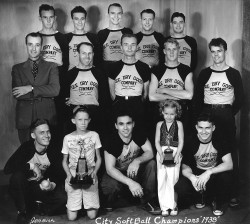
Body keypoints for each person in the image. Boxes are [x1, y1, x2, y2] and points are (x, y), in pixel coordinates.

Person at [194, 37, 244, 207]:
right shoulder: (205, 73)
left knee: (229, 152)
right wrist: (203, 114)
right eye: (213, 52)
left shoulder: (233, 73)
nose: (216, 55)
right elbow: (197, 98)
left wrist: (229, 113)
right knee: (206, 151)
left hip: (225, 114)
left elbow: (241, 99)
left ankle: (232, 193)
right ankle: (205, 191)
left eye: (219, 51)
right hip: (207, 112)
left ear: (225, 51)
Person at [4, 119, 66, 224]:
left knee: (63, 199)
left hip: (41, 188)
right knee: (17, 177)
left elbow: (59, 172)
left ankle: (38, 205)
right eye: (42, 132)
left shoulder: (54, 149)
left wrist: (52, 185)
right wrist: (32, 166)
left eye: (48, 131)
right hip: (25, 187)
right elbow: (8, 168)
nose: (47, 135)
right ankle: (22, 212)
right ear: (33, 135)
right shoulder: (26, 147)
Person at [175, 113, 233, 216]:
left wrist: (209, 172)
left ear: (213, 128)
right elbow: (185, 166)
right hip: (197, 175)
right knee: (180, 187)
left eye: (207, 128)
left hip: (213, 174)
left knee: (226, 177)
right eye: (200, 128)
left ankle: (217, 201)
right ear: (196, 127)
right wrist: (193, 178)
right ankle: (200, 196)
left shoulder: (220, 138)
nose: (204, 131)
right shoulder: (190, 140)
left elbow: (229, 164)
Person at [12, 32, 60, 143]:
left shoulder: (51, 66)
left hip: (47, 116)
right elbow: (18, 94)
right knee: (26, 154)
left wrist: (31, 88)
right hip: (25, 119)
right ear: (26, 46)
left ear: (41, 47)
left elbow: (55, 90)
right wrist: (44, 92)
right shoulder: (17, 68)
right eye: (30, 44)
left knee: (48, 154)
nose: (34, 49)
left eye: (37, 45)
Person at [62, 106, 102, 220]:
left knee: (92, 216)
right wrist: (68, 174)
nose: (83, 123)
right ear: (73, 120)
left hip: (89, 173)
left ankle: (86, 204)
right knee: (72, 218)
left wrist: (95, 172)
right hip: (74, 174)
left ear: (89, 120)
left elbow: (99, 158)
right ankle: (77, 204)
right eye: (80, 120)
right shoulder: (67, 138)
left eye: (86, 119)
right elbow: (64, 161)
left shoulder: (94, 135)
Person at [62, 42, 110, 137]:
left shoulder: (99, 74)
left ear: (93, 54)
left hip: (94, 117)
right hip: (76, 117)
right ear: (78, 53)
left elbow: (105, 99)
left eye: (90, 53)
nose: (87, 56)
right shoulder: (69, 75)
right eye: (84, 53)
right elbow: (63, 98)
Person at [149, 38, 194, 137]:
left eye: (174, 49)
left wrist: (164, 90)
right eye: (169, 49)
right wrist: (177, 96)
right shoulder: (156, 70)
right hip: (161, 113)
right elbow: (152, 96)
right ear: (164, 51)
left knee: (180, 143)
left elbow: (189, 95)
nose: (172, 52)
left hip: (180, 112)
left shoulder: (186, 70)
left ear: (178, 50)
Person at [108, 33, 151, 129]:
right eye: (126, 44)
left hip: (137, 104)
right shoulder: (113, 67)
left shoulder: (144, 67)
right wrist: (117, 101)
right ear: (121, 47)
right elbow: (111, 90)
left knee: (138, 132)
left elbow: (145, 93)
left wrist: (138, 103)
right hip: (119, 103)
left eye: (133, 45)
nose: (129, 48)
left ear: (137, 47)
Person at [155, 100, 184, 216]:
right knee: (162, 179)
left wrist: (177, 155)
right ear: (162, 112)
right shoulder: (159, 124)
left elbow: (181, 141)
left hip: (175, 151)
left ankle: (173, 205)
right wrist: (160, 155)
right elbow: (156, 141)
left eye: (172, 114)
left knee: (173, 179)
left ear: (176, 113)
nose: (169, 116)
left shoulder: (179, 124)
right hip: (162, 152)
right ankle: (164, 206)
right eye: (166, 113)